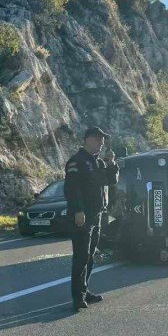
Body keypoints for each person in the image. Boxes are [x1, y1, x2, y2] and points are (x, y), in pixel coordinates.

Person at [64, 127, 119, 311]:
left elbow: (112, 181)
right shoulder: (77, 161)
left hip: (96, 215)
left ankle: (84, 290)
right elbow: (72, 189)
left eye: (103, 139)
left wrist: (112, 163)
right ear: (87, 139)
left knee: (90, 257)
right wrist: (78, 210)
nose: (101, 142)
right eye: (98, 139)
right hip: (82, 216)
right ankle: (77, 297)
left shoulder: (99, 163)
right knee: (81, 257)